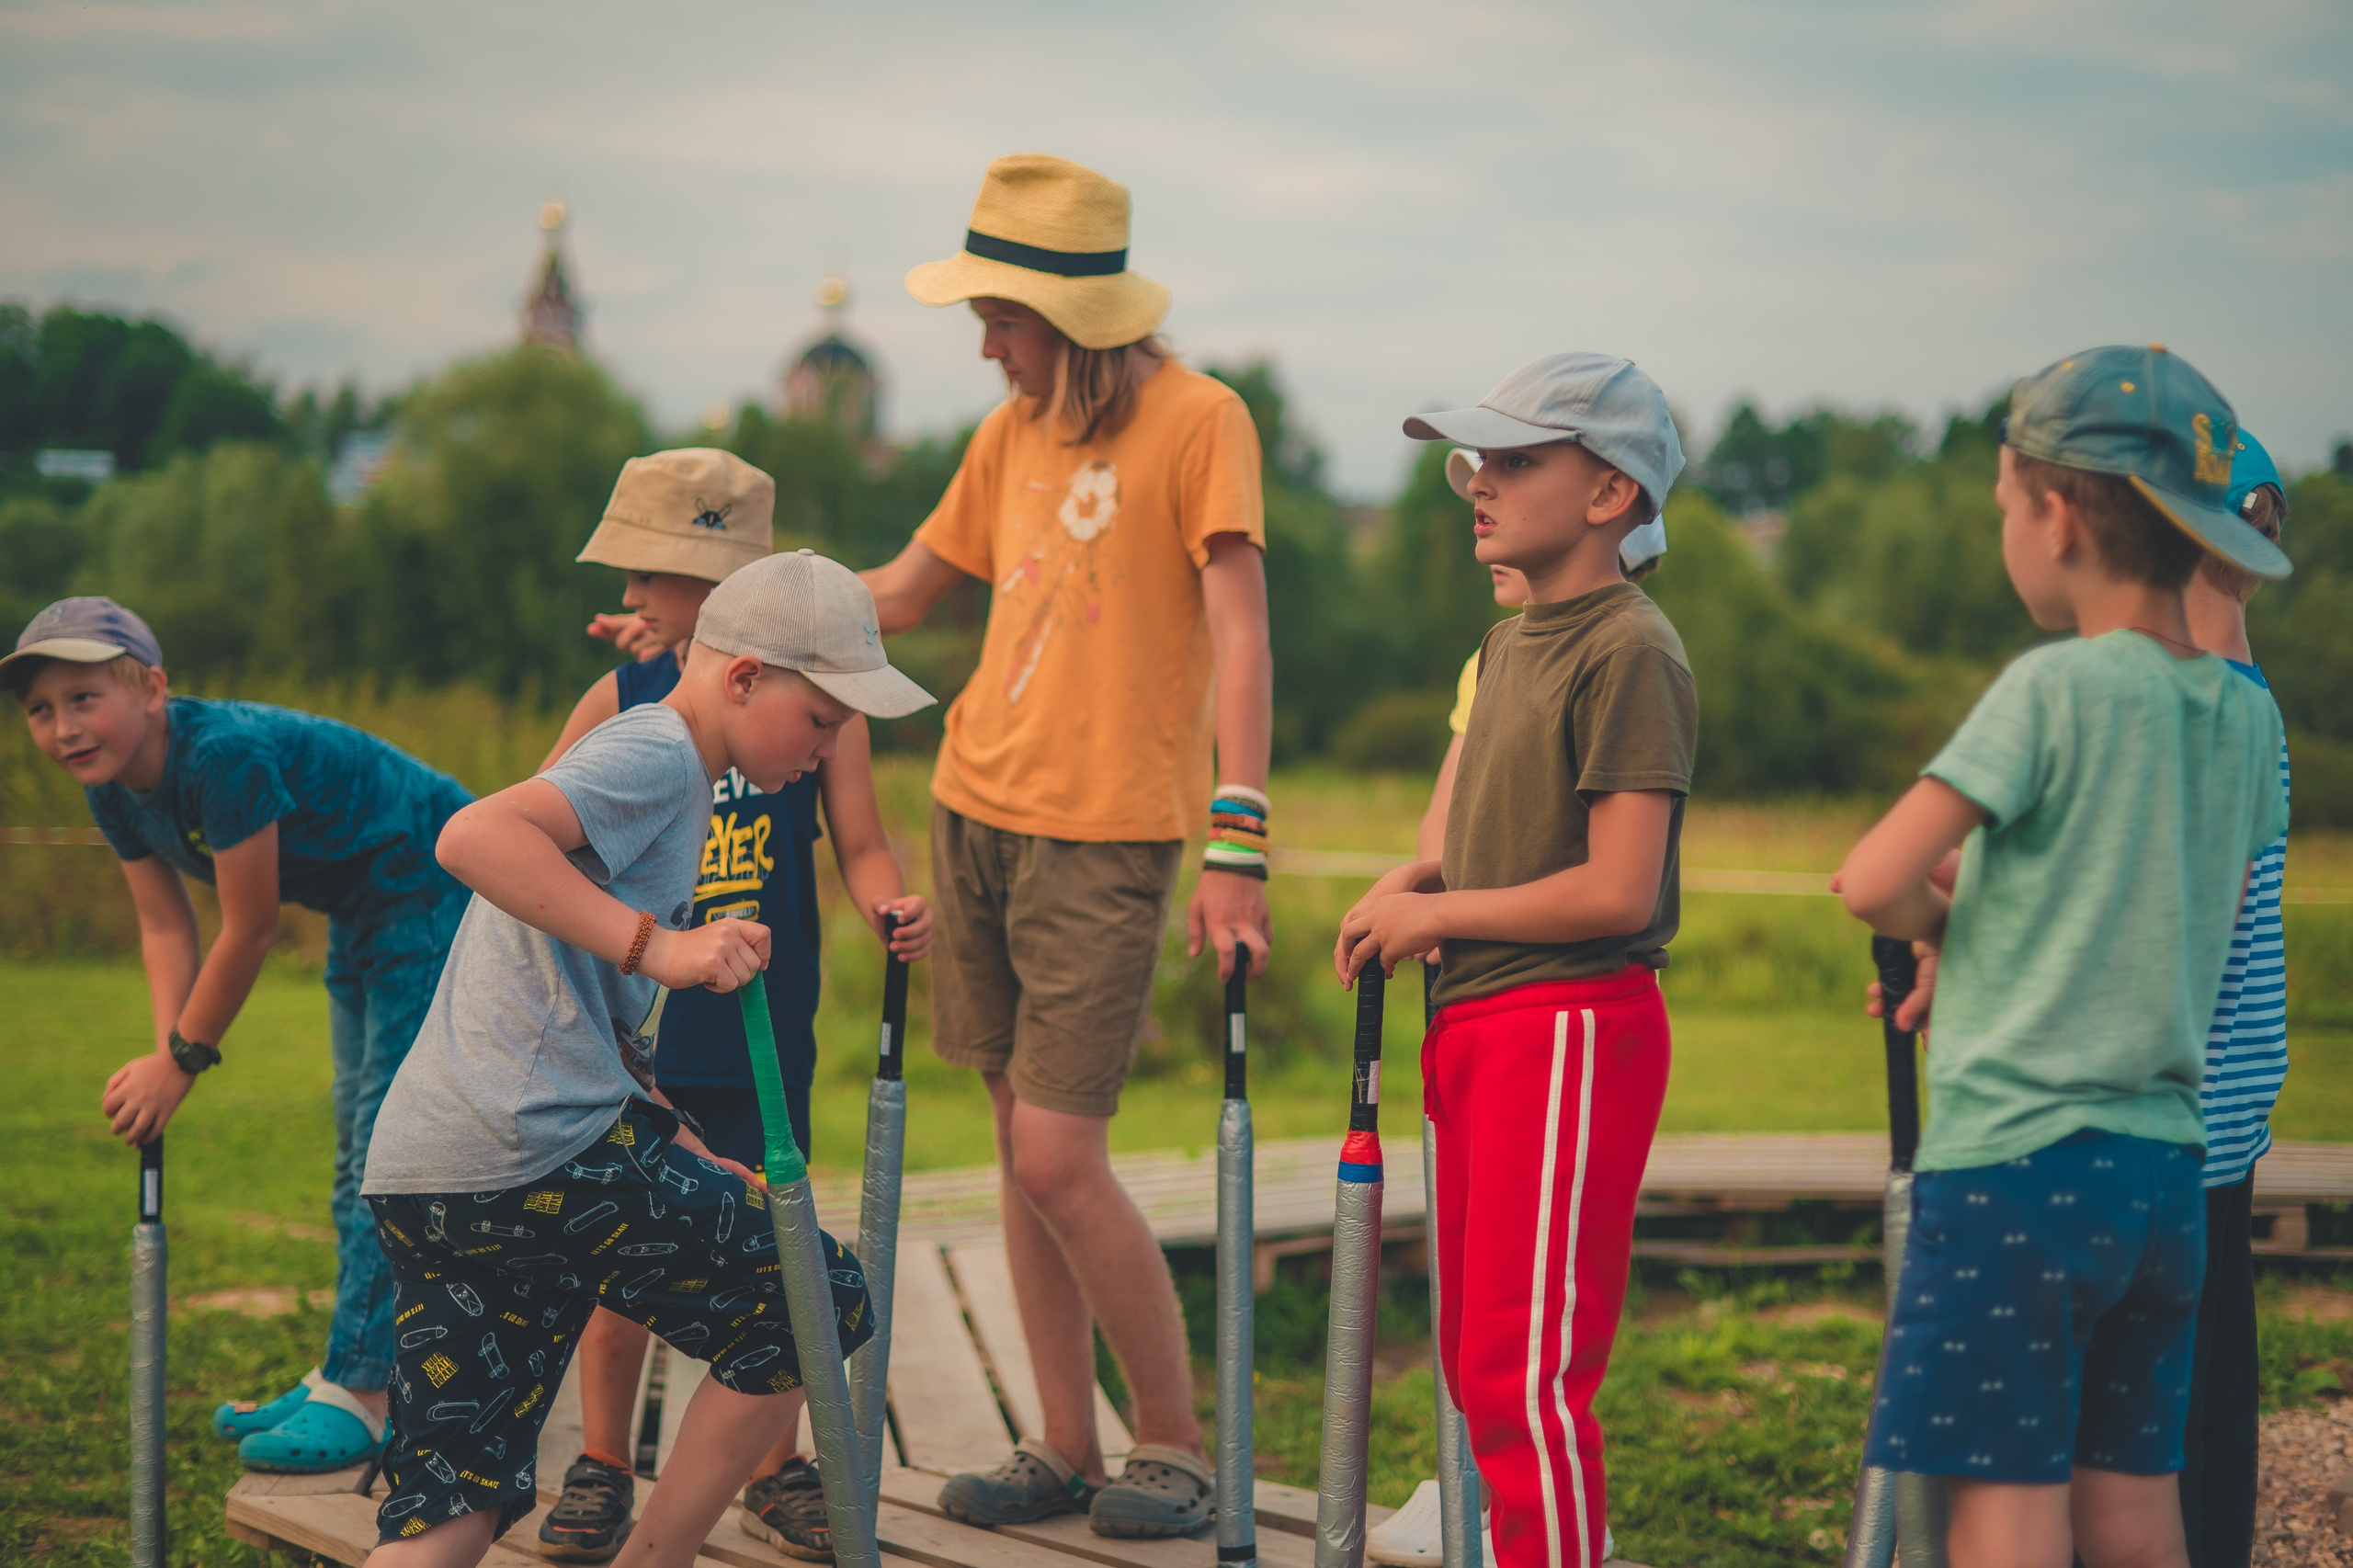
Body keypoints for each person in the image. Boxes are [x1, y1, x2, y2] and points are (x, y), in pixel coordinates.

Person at [355, 550, 932, 1567]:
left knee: (457, 1495)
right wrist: (659, 944)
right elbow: (472, 835)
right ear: (745, 677)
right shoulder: (659, 750)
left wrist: (669, 1130)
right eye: (823, 721)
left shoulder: (687, 772)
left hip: (439, 1164)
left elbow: (572, 1005)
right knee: (812, 1298)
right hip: (537, 1147)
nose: (829, 748)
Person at [858, 152, 1273, 1540]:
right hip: (974, 808)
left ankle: (1172, 1440)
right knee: (1011, 1140)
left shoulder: (1204, 419)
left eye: (1000, 317)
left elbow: (1240, 632)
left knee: (1055, 1152)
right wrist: (734, 600)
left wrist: (1240, 835)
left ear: (1069, 316)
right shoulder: (1010, 432)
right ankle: (1064, 1439)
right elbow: (907, 595)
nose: (983, 343)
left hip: (1107, 836)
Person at [1835, 346, 2290, 1568]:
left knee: (2008, 1508)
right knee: (2138, 1502)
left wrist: (1944, 924)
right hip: (2165, 1179)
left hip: (2014, 1177)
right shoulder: (2246, 713)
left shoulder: (2051, 692)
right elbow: (2168, 881)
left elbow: (1872, 880)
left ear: (2056, 516)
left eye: (2001, 506)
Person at [532, 449, 933, 1563]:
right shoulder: (618, 699)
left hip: (760, 1027)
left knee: (778, 1235)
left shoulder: (824, 712)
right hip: (645, 1027)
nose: (627, 601)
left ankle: (773, 1465)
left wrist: (885, 900)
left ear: (708, 590)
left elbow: (859, 840)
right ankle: (604, 1458)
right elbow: (545, 837)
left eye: (645, 578)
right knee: (617, 1256)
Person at [1336, 352, 1695, 1568]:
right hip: (1480, 1024)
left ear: (1610, 496)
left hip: (1571, 1023)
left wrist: (1439, 918)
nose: (1478, 483)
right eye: (1473, 461)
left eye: (1514, 459)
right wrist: (1405, 888)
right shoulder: (1504, 649)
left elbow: (1618, 887)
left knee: (1524, 1373)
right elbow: (1450, 843)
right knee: (1485, 1363)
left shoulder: (1630, 649)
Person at [4, 597, 473, 1474]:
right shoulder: (114, 790)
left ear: (152, 688)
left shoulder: (221, 757)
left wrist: (182, 1062)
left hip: (435, 882)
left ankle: (366, 1394)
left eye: (82, 698)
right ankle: (356, 1368)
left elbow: (248, 926)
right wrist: (163, 1057)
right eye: (40, 709)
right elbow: (164, 928)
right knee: (356, 1152)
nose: (63, 727)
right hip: (363, 909)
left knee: (385, 1151)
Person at [2174, 430, 2292, 1568]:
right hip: (2223, 1115)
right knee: (2207, 1388)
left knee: (2165, 1420)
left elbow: (2179, 939)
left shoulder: (2203, 716)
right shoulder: (2244, 700)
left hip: (2174, 1124)